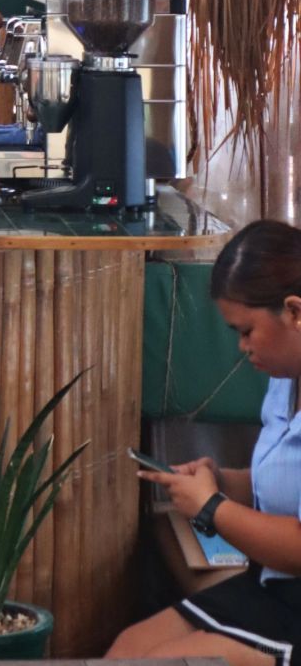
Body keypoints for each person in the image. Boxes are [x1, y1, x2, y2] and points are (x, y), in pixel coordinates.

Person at [107, 219, 301, 665]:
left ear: (294, 312)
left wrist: (213, 507)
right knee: (126, 653)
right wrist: (220, 481)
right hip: (273, 588)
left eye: (246, 330)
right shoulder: (284, 379)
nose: (241, 346)